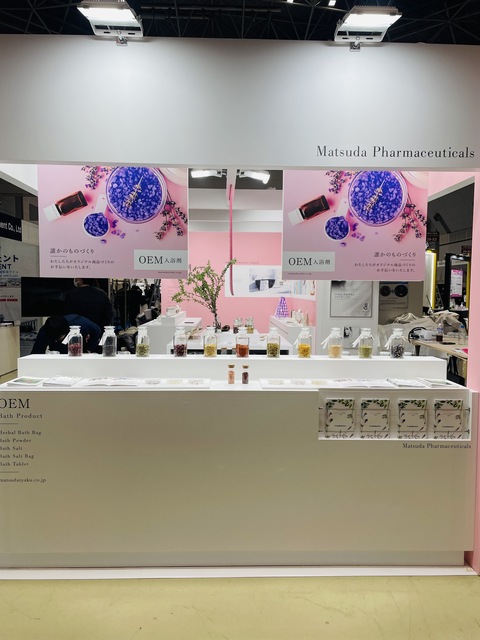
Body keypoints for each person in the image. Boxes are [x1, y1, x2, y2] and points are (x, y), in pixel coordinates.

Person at [30, 314, 102, 354]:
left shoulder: (79, 323)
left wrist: (89, 349)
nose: (56, 340)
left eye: (59, 338)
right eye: (54, 339)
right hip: (59, 353)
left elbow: (97, 330)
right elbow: (36, 354)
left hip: (82, 347)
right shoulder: (44, 332)